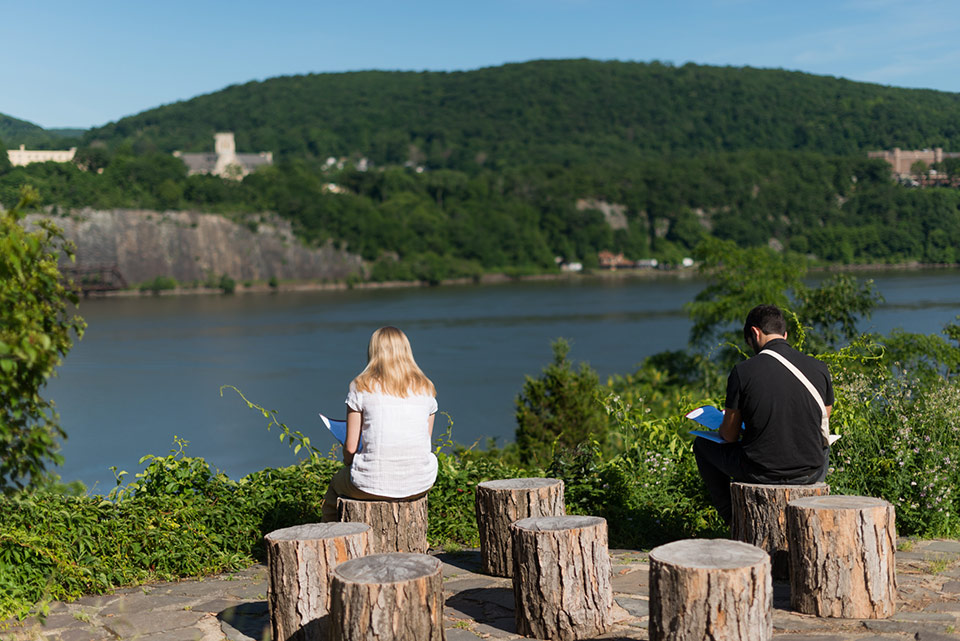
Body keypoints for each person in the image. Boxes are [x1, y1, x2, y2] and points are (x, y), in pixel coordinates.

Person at [693, 304, 833, 525]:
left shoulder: (743, 371)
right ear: (785, 335)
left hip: (760, 472)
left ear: (755, 333)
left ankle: (732, 519)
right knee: (823, 446)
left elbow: (729, 436)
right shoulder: (819, 367)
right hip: (811, 472)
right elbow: (823, 418)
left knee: (702, 445)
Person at [321, 326, 438, 522]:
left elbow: (350, 448)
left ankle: (331, 533)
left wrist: (349, 464)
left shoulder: (360, 386)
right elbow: (424, 442)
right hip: (420, 482)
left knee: (336, 484)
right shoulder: (426, 388)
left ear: (373, 351)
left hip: (370, 484)